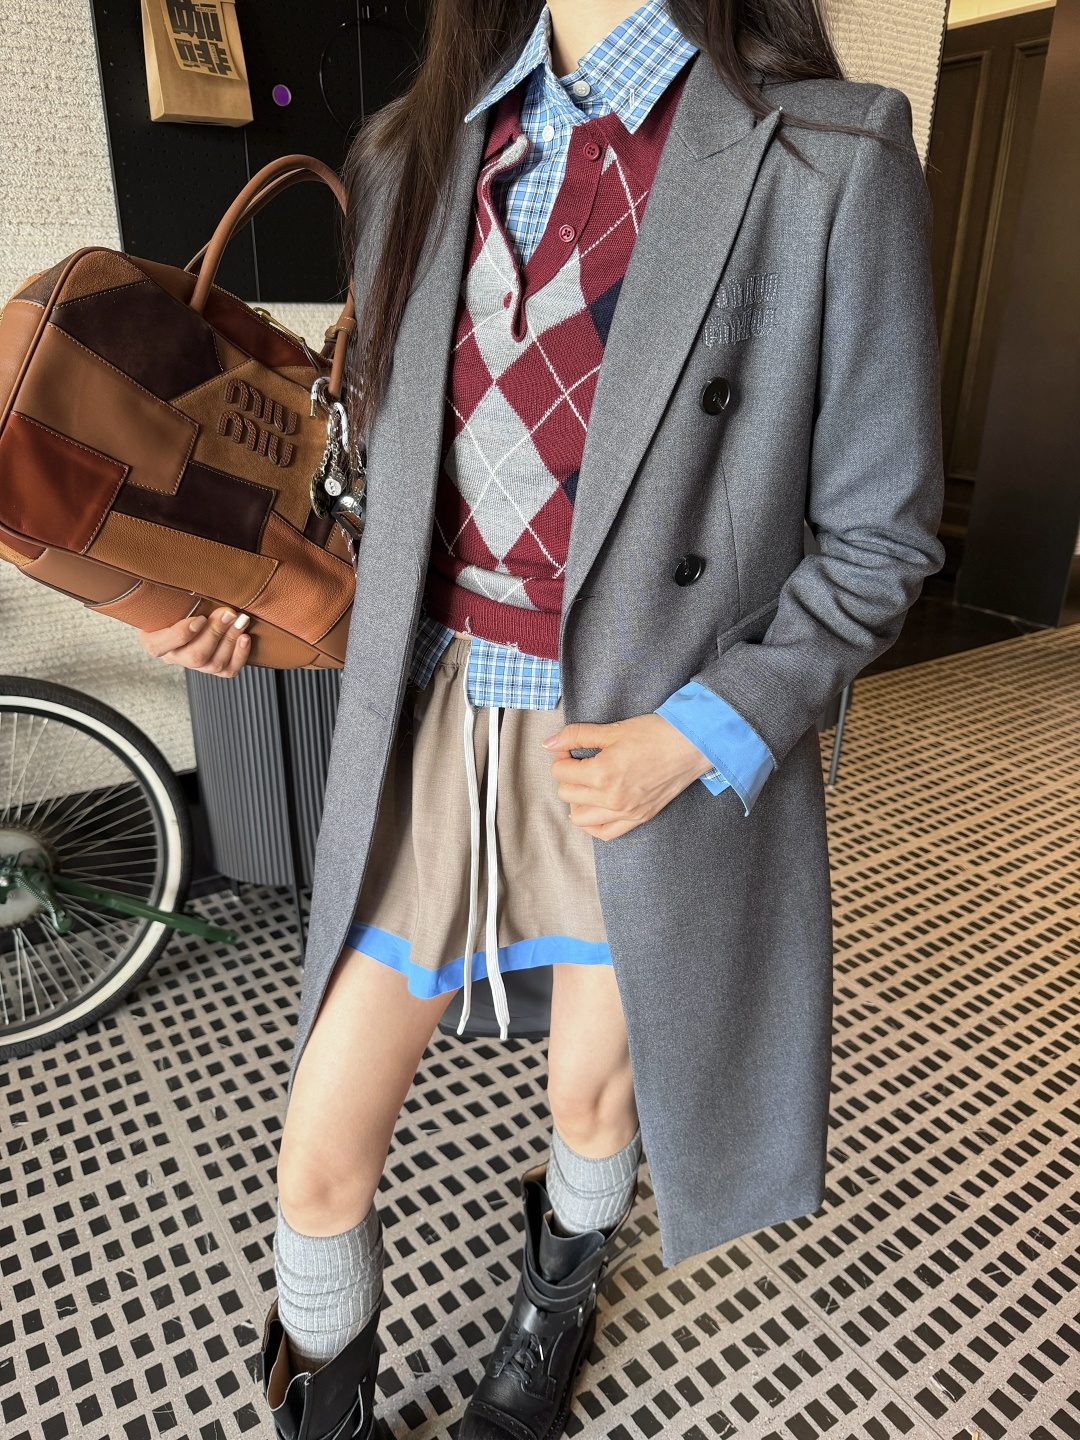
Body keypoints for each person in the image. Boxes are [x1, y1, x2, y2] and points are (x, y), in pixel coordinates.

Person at [141, 0, 945, 1435]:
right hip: (434, 731)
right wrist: (248, 609)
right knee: (317, 1151)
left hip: (645, 739)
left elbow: (880, 539)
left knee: (592, 1097)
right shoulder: (410, 152)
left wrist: (698, 735)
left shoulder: (831, 153)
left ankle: (553, 1309)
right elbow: (387, 499)